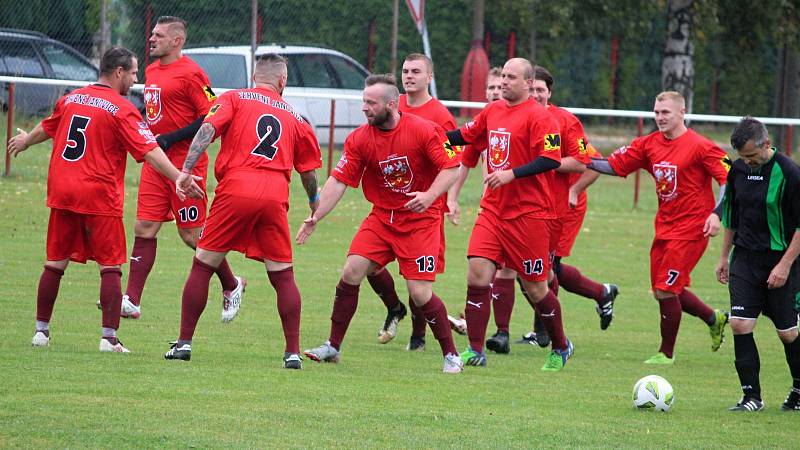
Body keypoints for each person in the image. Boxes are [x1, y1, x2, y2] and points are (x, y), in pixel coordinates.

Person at [9, 46, 202, 353]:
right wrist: (178, 175)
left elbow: (49, 125)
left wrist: (24, 141)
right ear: (118, 72)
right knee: (110, 266)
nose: (136, 80)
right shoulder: (121, 108)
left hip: (62, 191)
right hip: (98, 194)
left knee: (55, 263)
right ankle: (108, 338)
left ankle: (40, 332)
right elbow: (150, 151)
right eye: (134, 73)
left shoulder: (71, 98)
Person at [297, 74, 464, 373]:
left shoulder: (425, 130)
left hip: (420, 221)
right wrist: (315, 216)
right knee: (351, 271)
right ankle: (333, 347)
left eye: (371, 103)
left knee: (420, 294)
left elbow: (452, 167)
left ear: (391, 103)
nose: (364, 108)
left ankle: (451, 355)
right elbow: (339, 181)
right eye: (363, 101)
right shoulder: (360, 138)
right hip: (382, 218)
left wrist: (430, 195)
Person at [163, 54, 321, 369]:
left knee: (203, 264)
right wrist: (314, 201)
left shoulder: (234, 98)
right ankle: (292, 353)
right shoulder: (295, 118)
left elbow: (207, 130)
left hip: (236, 189)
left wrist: (186, 169)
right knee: (282, 274)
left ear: (255, 77)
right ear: (282, 80)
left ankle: (183, 344)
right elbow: (308, 172)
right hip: (275, 196)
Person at [446, 58, 574, 371]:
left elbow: (551, 160)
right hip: (492, 211)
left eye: (511, 77)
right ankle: (475, 349)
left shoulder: (541, 117)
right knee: (477, 273)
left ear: (529, 83)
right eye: (502, 75)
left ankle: (560, 346)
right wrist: (429, 133)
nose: (504, 81)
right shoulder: (492, 110)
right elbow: (466, 135)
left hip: (529, 217)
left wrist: (511, 174)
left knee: (536, 288)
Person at [588, 91, 730, 364]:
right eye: (656, 112)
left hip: (692, 229)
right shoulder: (648, 144)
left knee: (666, 289)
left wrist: (716, 214)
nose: (660, 117)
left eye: (665, 112)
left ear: (681, 112)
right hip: (664, 228)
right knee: (664, 291)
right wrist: (578, 156)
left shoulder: (701, 146)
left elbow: (728, 178)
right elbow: (612, 166)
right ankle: (714, 318)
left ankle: (666, 354)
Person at [122, 16, 244, 321]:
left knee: (191, 236)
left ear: (177, 41)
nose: (152, 39)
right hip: (156, 163)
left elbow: (210, 116)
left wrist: (171, 138)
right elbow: (156, 112)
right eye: (152, 34)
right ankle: (132, 299)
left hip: (187, 167)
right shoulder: (151, 70)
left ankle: (232, 284)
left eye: (159, 35)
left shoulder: (192, 74)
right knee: (144, 227)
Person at [513, 66, 618, 350]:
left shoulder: (563, 120)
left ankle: (544, 333)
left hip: (562, 207)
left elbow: (591, 162)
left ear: (549, 92)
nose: (535, 95)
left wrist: (573, 189)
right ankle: (602, 293)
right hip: (531, 207)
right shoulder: (516, 116)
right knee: (536, 269)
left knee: (543, 269)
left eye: (540, 90)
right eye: (531, 89)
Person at [371, 53, 459, 350]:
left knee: (417, 277)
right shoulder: (390, 104)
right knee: (367, 264)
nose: (409, 76)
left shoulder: (440, 115)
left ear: (429, 78)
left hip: (425, 208)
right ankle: (394, 308)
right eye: (406, 71)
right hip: (388, 207)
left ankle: (418, 337)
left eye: (416, 72)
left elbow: (452, 162)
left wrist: (448, 199)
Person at [715, 117, 800, 412]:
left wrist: (785, 265)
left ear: (766, 144)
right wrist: (723, 257)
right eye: (743, 157)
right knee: (740, 323)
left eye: (752, 156)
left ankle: (799, 390)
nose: (748, 162)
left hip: (781, 259)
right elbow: (731, 216)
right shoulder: (737, 169)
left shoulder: (789, 172)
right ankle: (752, 397)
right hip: (746, 259)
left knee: (787, 332)